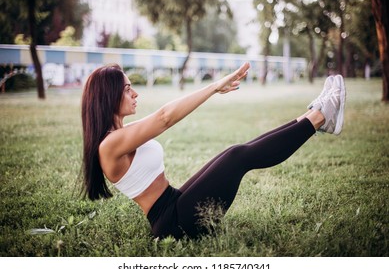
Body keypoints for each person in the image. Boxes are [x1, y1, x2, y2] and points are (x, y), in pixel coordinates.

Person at [81, 62, 346, 239]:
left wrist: (214, 89)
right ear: (110, 95)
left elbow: (160, 117)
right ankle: (320, 117)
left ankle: (314, 115)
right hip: (174, 224)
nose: (135, 94)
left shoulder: (120, 135)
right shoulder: (110, 145)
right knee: (237, 157)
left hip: (175, 203)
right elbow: (164, 118)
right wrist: (214, 87)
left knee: (234, 151)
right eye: (128, 89)